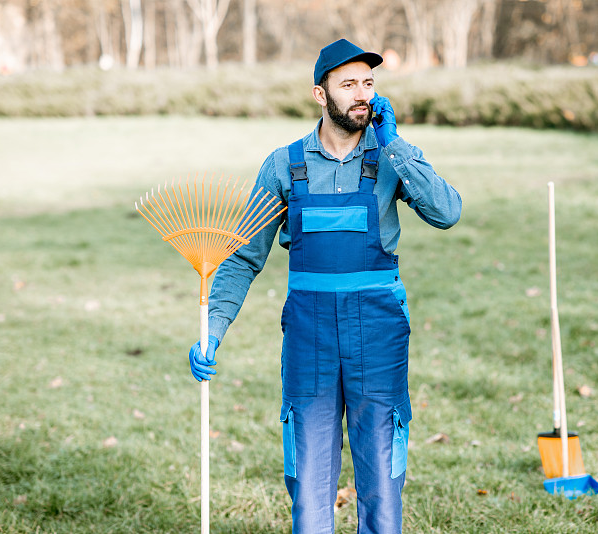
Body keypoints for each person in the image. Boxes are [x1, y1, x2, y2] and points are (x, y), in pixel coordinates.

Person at [188, 38, 462, 534]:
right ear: (321, 94)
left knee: (382, 474)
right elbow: (245, 255)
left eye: (369, 83)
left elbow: (447, 212)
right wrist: (213, 329)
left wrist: (396, 147)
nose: (363, 95)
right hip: (310, 335)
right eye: (349, 84)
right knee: (309, 477)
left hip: (377, 332)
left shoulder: (392, 157)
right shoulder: (284, 165)